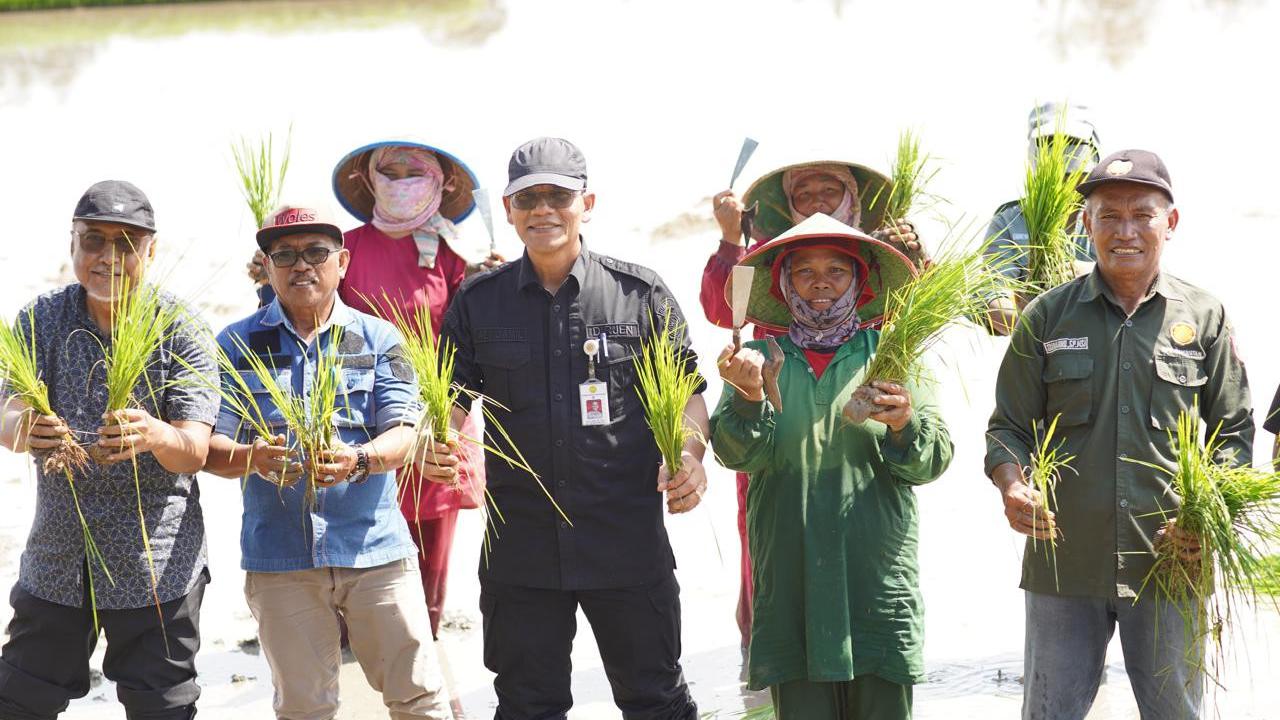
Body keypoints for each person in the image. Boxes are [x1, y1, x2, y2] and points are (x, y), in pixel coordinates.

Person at [421, 137, 708, 719]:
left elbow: (690, 399)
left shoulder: (639, 294)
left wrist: (691, 456)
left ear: (588, 202)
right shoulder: (478, 303)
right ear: (508, 210)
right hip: (521, 550)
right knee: (528, 705)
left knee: (655, 699)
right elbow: (448, 405)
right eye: (528, 197)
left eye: (558, 195)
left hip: (625, 542)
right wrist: (436, 445)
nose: (543, 209)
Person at [984, 150, 1253, 720]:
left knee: (1177, 712)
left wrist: (1209, 516)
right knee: (1049, 712)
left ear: (1170, 223)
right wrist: (1011, 485)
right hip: (1063, 564)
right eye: (1108, 216)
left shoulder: (1205, 316)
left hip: (1172, 562)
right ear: (1087, 224)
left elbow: (1233, 432)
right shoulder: (1046, 317)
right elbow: (1008, 426)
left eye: (1142, 215)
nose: (1124, 231)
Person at [204, 205, 449, 719]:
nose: (301, 266)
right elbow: (211, 449)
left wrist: (359, 460)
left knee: (419, 698)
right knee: (303, 707)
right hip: (281, 559)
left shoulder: (383, 339)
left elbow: (404, 433)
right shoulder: (235, 344)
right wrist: (254, 457)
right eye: (285, 255)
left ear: (342, 262)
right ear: (266, 267)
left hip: (375, 552)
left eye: (316, 253)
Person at [710, 212, 951, 719]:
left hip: (875, 585)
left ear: (861, 284)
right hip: (791, 586)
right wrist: (749, 397)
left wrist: (904, 423)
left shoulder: (893, 354)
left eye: (837, 271)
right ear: (783, 283)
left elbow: (930, 463)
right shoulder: (755, 358)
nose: (820, 284)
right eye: (804, 271)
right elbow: (736, 454)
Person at [0, 180, 218, 720]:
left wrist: (157, 435)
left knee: (162, 708)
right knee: (19, 700)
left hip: (154, 564)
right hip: (58, 557)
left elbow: (194, 449)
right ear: (72, 243)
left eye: (126, 243)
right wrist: (23, 426)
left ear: (151, 250)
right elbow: (5, 414)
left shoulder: (181, 327)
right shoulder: (40, 319)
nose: (108, 257)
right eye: (93, 240)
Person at [699, 159, 923, 649]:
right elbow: (721, 311)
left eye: (830, 189)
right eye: (805, 194)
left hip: (861, 425)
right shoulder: (765, 259)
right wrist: (731, 239)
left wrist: (918, 264)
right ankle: (765, 656)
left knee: (869, 538)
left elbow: (926, 319)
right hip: (776, 416)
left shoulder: (887, 255)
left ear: (853, 198)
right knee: (766, 542)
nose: (819, 201)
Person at [331, 138, 501, 639]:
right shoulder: (344, 249)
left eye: (415, 171)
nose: (402, 179)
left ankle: (424, 639)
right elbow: (320, 319)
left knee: (430, 542)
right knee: (356, 535)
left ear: (441, 181)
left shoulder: (454, 253)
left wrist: (489, 282)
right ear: (368, 178)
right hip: (360, 413)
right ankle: (352, 645)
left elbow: (469, 336)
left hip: (438, 412)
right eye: (391, 170)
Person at [984, 102, 1102, 335]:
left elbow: (1144, 280)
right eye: (1050, 144)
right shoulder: (1011, 221)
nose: (1065, 177)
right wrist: (1040, 327)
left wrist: (1092, 273)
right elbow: (993, 293)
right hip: (1039, 355)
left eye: (1074, 144)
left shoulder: (1112, 217)